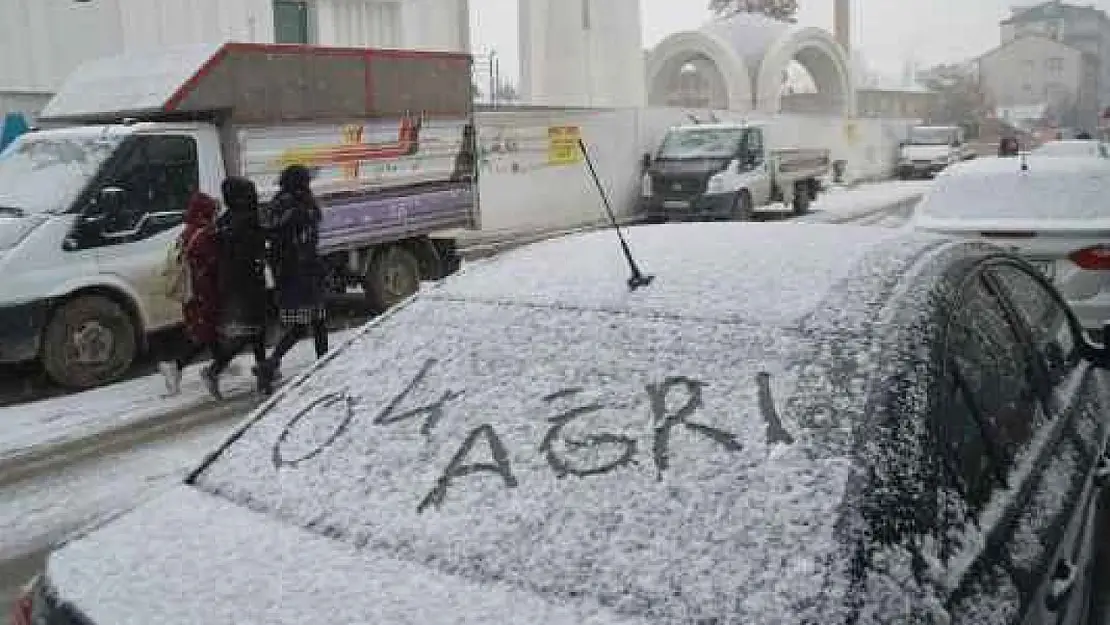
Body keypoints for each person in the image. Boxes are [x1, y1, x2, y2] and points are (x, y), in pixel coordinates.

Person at [256, 164, 328, 395]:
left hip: (286, 274)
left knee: (300, 326)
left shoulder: (277, 204)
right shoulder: (301, 206)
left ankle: (271, 363)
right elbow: (310, 231)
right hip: (304, 272)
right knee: (316, 322)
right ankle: (325, 364)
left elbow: (271, 234)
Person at [203, 177, 270, 397]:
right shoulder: (248, 219)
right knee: (251, 332)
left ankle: (262, 377)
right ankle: (218, 369)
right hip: (248, 281)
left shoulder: (225, 220)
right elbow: (256, 248)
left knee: (251, 332)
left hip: (232, 283)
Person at [159, 192, 222, 397]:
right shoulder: (203, 235)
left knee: (206, 329)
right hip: (203, 291)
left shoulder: (187, 232)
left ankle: (221, 362)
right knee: (206, 331)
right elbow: (213, 262)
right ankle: (176, 366)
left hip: (192, 292)